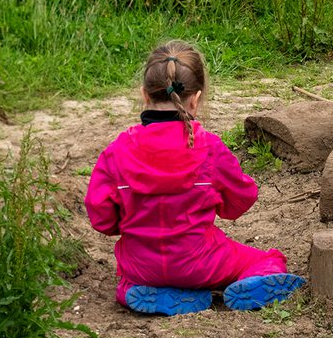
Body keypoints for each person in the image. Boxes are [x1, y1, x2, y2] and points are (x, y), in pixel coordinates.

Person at [85, 42, 305, 314]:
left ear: (144, 95)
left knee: (128, 283)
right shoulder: (209, 148)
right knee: (266, 258)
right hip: (202, 263)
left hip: (142, 266)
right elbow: (240, 201)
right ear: (196, 99)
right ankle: (252, 280)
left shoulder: (117, 151)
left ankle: (142, 292)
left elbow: (101, 218)